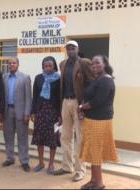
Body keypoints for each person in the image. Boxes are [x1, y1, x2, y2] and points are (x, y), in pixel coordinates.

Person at [53, 40, 94, 182]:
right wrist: (60, 107)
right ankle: (66, 166)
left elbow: (91, 83)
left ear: (77, 49)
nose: (70, 51)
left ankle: (80, 170)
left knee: (80, 137)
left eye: (73, 48)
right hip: (65, 101)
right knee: (65, 136)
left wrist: (84, 104)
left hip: (78, 102)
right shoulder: (63, 64)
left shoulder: (84, 63)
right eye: (68, 49)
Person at [78, 55, 118, 190]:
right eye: (93, 63)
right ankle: (93, 180)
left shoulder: (106, 81)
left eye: (97, 62)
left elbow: (97, 101)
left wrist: (81, 107)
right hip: (92, 120)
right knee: (92, 151)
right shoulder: (98, 79)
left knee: (96, 152)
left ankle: (99, 183)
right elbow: (88, 97)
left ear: (105, 64)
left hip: (99, 121)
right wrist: (83, 108)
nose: (94, 65)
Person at [31, 56, 61, 174]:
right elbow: (35, 96)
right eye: (45, 66)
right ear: (43, 67)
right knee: (40, 138)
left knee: (53, 139)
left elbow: (59, 98)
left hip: (53, 112)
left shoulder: (58, 79)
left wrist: (60, 114)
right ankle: (41, 162)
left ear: (54, 66)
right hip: (40, 111)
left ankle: (51, 164)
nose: (48, 68)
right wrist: (33, 112)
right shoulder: (38, 78)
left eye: (50, 65)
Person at [2, 57, 32, 172]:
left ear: (18, 64)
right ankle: (10, 158)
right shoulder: (4, 77)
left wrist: (27, 113)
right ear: (8, 65)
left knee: (22, 137)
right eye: (10, 63)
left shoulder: (25, 78)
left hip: (21, 112)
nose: (12, 65)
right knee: (8, 136)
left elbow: (29, 98)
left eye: (14, 63)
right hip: (7, 111)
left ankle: (24, 161)